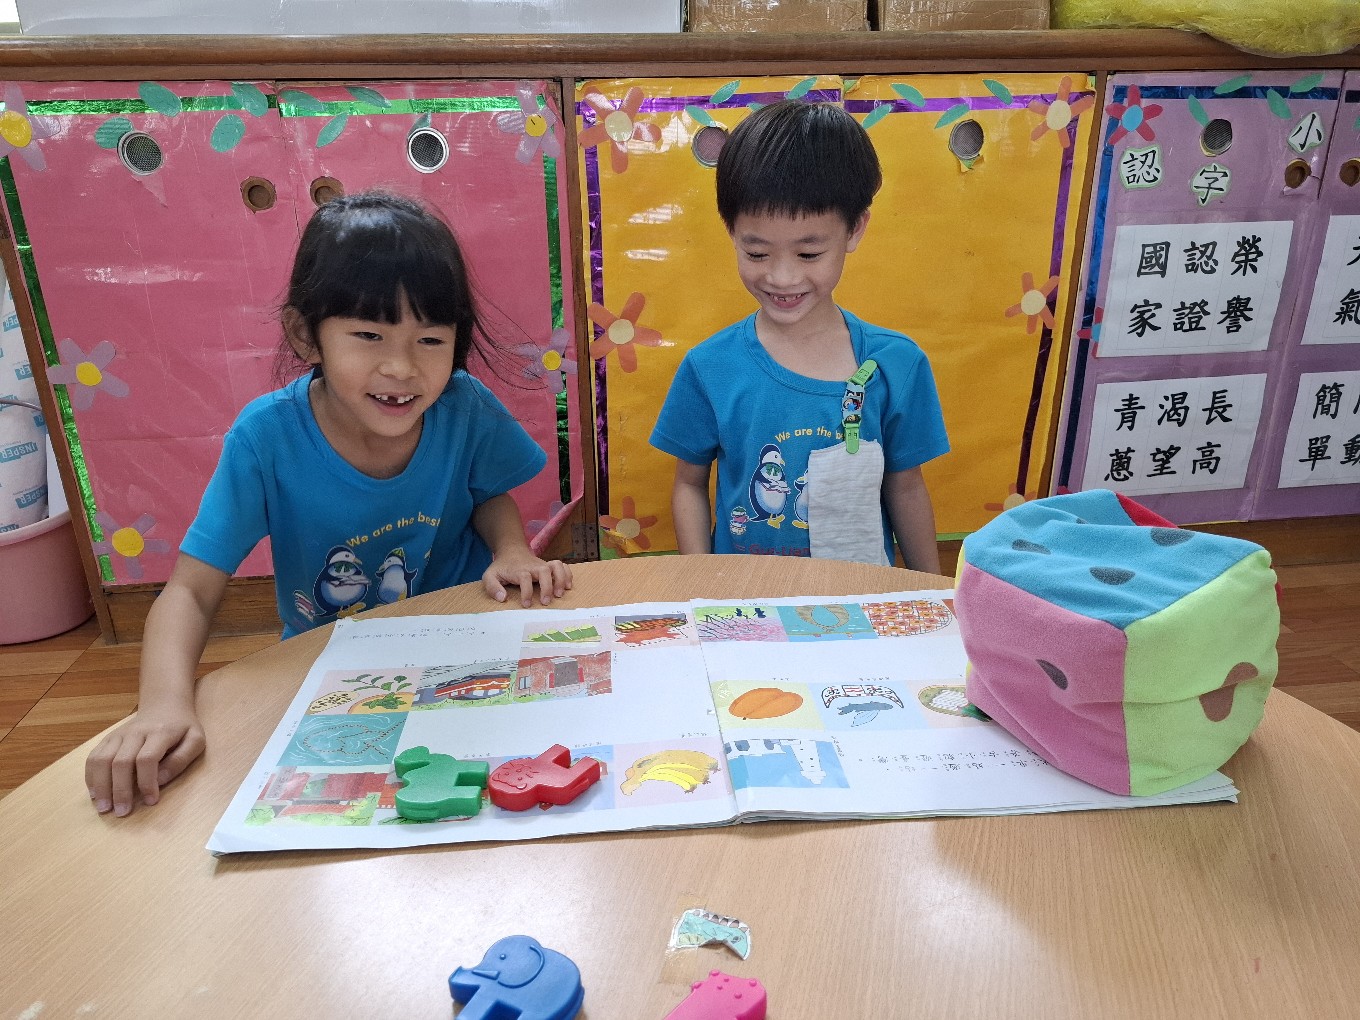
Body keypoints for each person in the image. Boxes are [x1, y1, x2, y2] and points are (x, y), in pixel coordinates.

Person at [86, 190, 571, 816]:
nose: (401, 367)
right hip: (335, 668)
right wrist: (162, 704)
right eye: (368, 335)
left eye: (430, 339)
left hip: (464, 639)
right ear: (305, 335)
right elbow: (191, 592)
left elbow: (487, 494)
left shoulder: (464, 405)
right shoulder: (265, 440)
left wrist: (510, 549)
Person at [649, 100, 949, 571]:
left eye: (809, 254)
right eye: (757, 253)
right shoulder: (709, 366)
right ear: (731, 232)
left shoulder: (897, 363)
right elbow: (688, 483)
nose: (782, 278)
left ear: (855, 229)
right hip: (745, 600)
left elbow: (906, 486)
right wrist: (701, 584)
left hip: (860, 599)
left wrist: (934, 593)